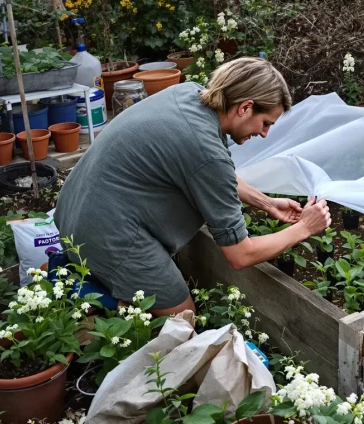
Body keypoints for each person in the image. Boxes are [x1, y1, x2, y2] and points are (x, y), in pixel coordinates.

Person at [53, 57, 331, 316]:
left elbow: (208, 171)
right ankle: (106, 305)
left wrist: (268, 203)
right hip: (104, 234)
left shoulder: (188, 95)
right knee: (183, 318)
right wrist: (304, 228)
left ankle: (102, 289)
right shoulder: (205, 150)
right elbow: (240, 254)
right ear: (245, 107)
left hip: (73, 211)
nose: (264, 133)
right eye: (265, 122)